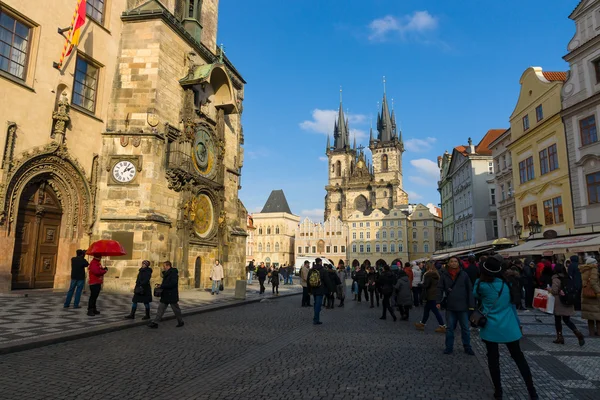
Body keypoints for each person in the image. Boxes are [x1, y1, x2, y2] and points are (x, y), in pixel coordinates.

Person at [474, 257, 538, 400]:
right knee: (519, 358)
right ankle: (532, 391)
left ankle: (498, 391)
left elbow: (475, 296)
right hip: (509, 325)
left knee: (493, 360)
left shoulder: (480, 284)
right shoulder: (507, 283)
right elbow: (514, 303)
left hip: (490, 326)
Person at [438, 256, 475, 355]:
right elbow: (440, 288)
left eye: (455, 261)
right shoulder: (444, 275)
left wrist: (471, 304)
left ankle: (467, 346)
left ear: (458, 263)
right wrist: (438, 301)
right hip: (450, 306)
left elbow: (469, 289)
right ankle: (449, 347)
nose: (453, 263)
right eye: (451, 261)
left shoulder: (464, 275)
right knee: (450, 328)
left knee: (465, 328)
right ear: (448, 264)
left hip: (463, 306)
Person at [550, 263, 585, 346]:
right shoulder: (568, 277)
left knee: (557, 320)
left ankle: (560, 337)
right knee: (567, 320)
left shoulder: (556, 278)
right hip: (568, 301)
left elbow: (554, 290)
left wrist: (550, 290)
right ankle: (578, 333)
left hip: (559, 303)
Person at [148, 261, 184, 329]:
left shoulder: (173, 273)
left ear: (168, 266)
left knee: (176, 309)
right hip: (165, 294)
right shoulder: (167, 274)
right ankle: (155, 322)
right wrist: (161, 285)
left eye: (164, 266)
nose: (163, 268)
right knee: (160, 309)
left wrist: (162, 286)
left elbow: (173, 284)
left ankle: (180, 321)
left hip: (171, 294)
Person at [415, 261, 446, 333]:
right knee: (426, 310)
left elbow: (426, 285)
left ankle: (442, 325)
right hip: (434, 293)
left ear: (427, 267)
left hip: (430, 295)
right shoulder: (436, 274)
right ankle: (422, 324)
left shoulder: (428, 274)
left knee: (435, 311)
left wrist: (419, 285)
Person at [579, 256, 600, 336]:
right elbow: (593, 282)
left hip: (586, 294)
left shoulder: (584, 270)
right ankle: (599, 333)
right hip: (594, 296)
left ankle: (591, 333)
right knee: (598, 316)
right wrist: (598, 292)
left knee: (590, 317)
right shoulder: (593, 269)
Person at [307, 258, 331, 325]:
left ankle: (315, 316)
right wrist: (330, 289)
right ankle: (316, 319)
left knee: (315, 303)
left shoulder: (311, 270)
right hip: (320, 289)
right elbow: (327, 281)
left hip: (313, 289)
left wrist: (309, 290)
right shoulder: (323, 270)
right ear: (320, 262)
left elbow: (308, 280)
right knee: (318, 304)